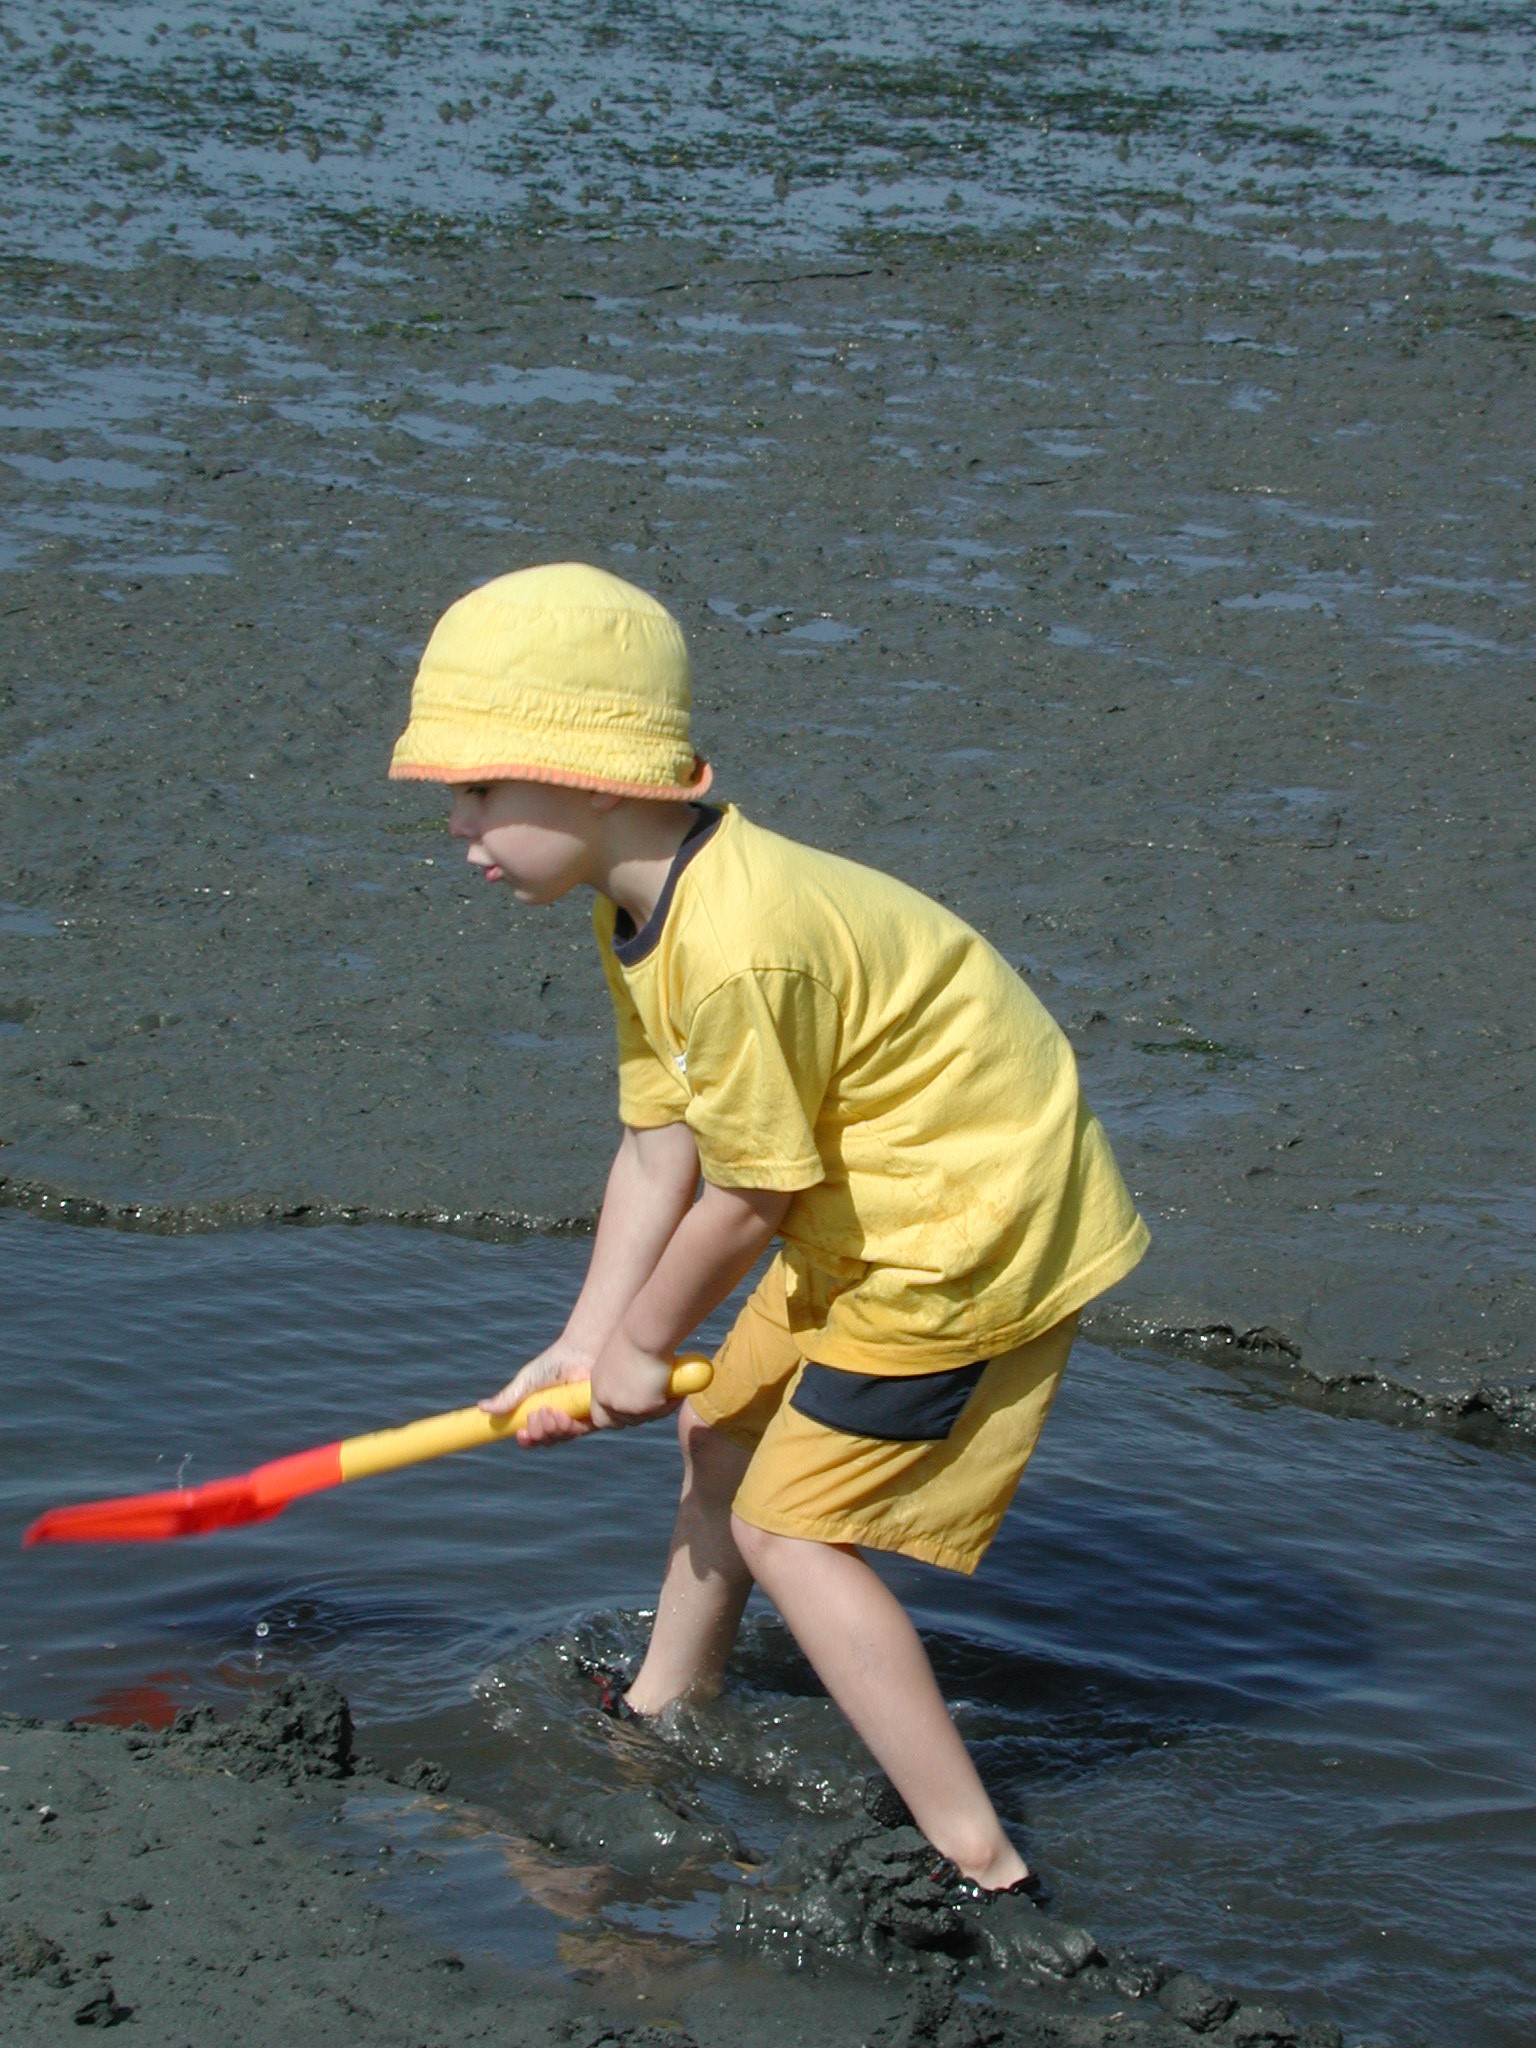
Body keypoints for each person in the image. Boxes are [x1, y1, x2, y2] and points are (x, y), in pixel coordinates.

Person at [389, 561, 1148, 1897]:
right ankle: (661, 1709)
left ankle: (982, 1859)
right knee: (720, 1432)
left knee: (793, 1526)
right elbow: (657, 1145)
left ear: (600, 782)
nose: (459, 826)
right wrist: (584, 1342)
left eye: (481, 791)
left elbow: (751, 1196)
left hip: (962, 1233)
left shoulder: (739, 944)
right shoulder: (639, 911)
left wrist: (643, 1341)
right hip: (870, 1203)